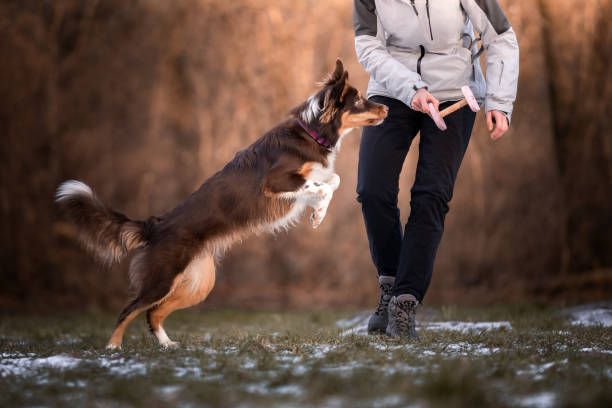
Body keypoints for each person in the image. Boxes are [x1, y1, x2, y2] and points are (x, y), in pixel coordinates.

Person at [353, 0, 519, 338]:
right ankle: (390, 283)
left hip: (455, 91)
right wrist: (412, 89)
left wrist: (500, 102)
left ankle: (404, 302)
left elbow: (501, 36)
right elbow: (367, 45)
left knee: (431, 195)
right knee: (371, 189)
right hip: (392, 89)